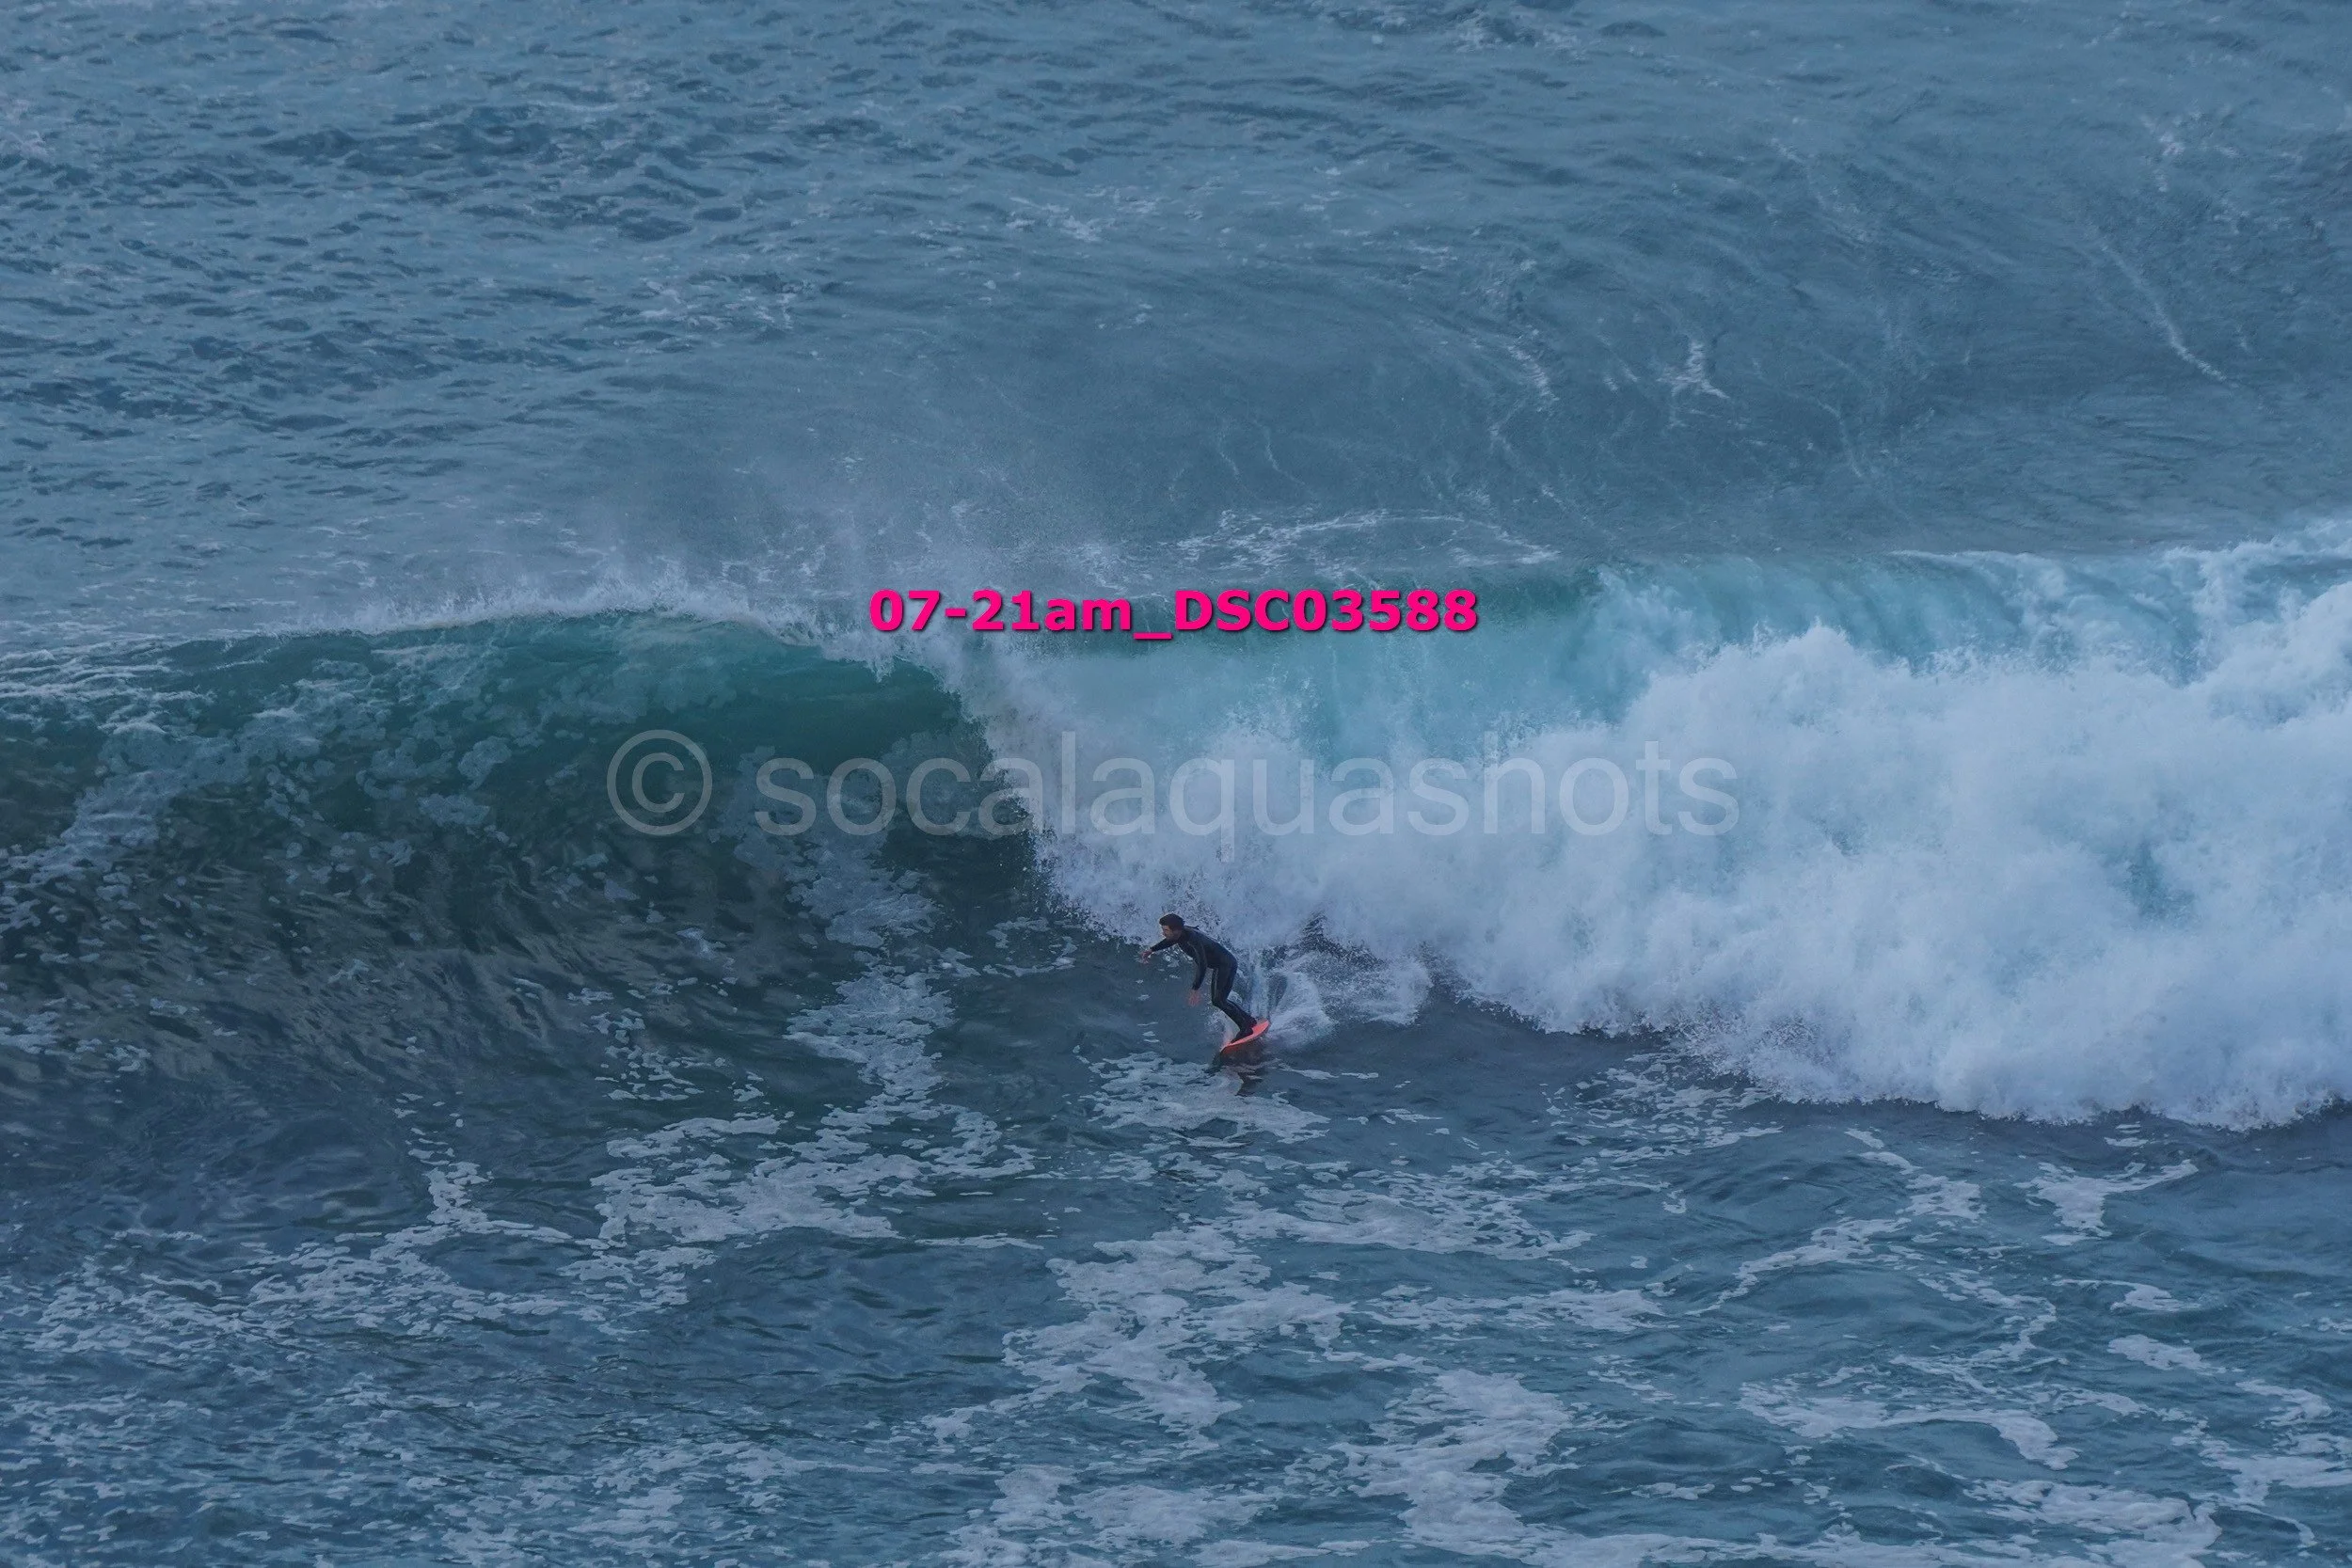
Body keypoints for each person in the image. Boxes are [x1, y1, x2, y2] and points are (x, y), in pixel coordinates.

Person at [1138, 913, 1265, 1072]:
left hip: (1224, 964)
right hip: (1225, 963)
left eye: (1165, 930)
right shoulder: (1180, 935)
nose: (1163, 933)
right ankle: (1250, 1021)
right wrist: (1152, 949)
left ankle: (1245, 1028)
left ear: (1176, 930)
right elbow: (1169, 941)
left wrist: (1195, 989)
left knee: (1218, 1000)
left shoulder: (1192, 939)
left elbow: (1203, 964)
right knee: (1221, 999)